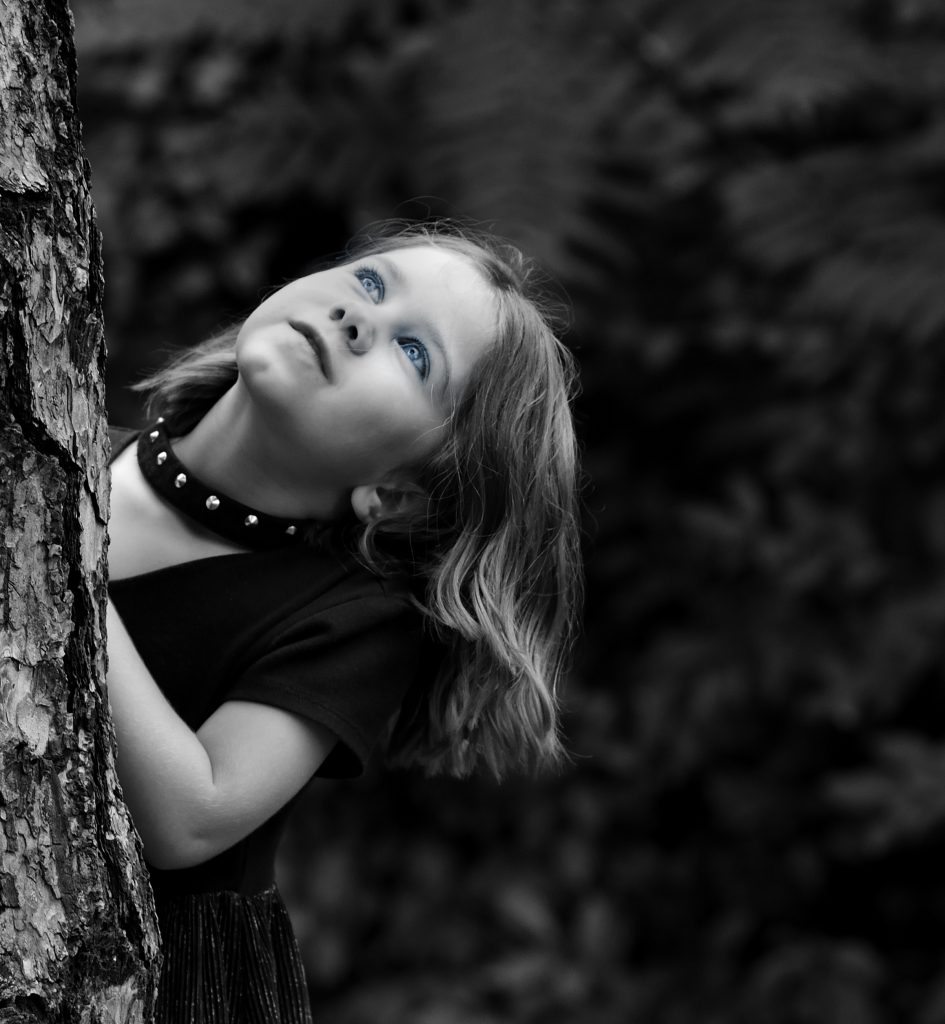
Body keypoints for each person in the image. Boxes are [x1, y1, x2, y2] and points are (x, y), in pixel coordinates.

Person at [105, 220, 582, 1023]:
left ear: (396, 493)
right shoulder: (63, 454)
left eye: (415, 353)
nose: (361, 320)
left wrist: (60, 564)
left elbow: (191, 819)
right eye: (370, 283)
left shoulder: (353, 619)